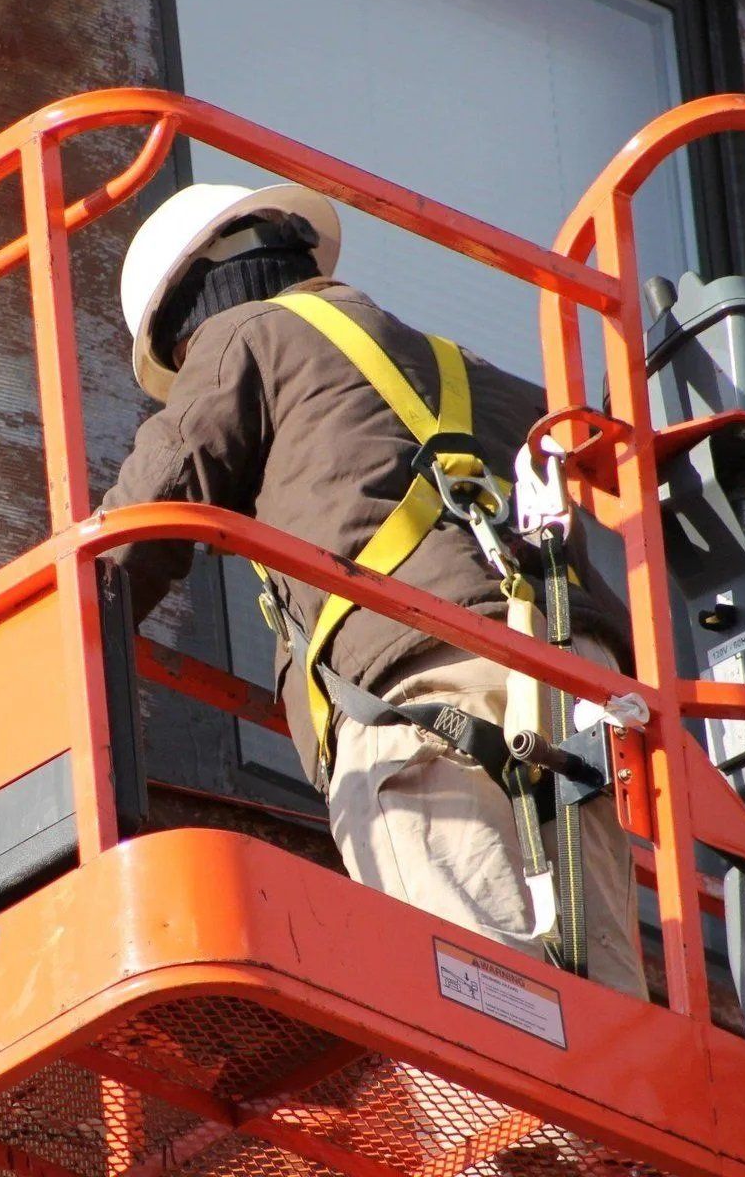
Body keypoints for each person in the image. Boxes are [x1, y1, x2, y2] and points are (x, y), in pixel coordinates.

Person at [98, 181, 645, 999]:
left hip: (421, 694)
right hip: (579, 695)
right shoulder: (473, 374)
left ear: (192, 308)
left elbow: (139, 524)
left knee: (484, 1017)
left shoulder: (245, 334)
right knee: (605, 1022)